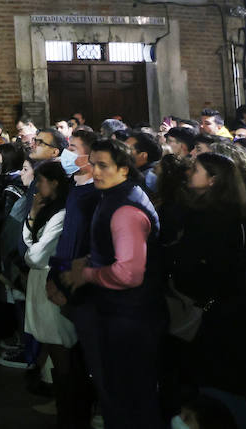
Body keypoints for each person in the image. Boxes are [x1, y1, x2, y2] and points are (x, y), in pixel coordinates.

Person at [59, 138, 163, 429]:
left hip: (128, 317)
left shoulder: (125, 209)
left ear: (124, 169)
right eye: (93, 164)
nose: (95, 171)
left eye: (103, 165)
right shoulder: (116, 197)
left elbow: (129, 273)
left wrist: (88, 274)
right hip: (122, 314)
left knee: (126, 396)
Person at [164, 152, 246, 416]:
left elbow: (189, 258)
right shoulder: (226, 210)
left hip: (211, 312)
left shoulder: (212, 216)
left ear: (213, 180)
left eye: (196, 169)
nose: (189, 172)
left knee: (209, 383)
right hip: (223, 307)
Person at [20, 161, 79, 426]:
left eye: (41, 181)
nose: (37, 187)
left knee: (59, 343)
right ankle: (61, 400)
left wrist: (31, 246)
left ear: (54, 183)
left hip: (50, 279)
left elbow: (35, 255)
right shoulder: (46, 210)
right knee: (50, 341)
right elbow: (29, 241)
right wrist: (32, 215)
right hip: (39, 279)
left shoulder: (63, 213)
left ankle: (69, 407)